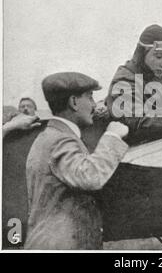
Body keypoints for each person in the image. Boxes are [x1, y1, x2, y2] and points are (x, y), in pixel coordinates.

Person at [24, 72, 129, 250]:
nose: (94, 105)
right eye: (90, 97)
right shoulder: (60, 140)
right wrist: (112, 136)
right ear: (73, 102)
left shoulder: (50, 136)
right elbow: (90, 177)